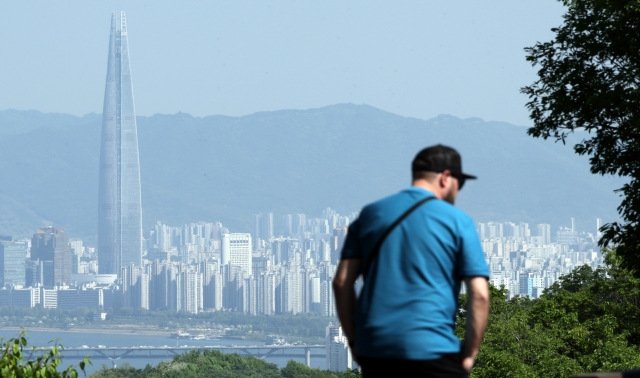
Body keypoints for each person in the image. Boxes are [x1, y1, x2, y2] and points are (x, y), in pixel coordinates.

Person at [333, 144, 490, 377]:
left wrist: (355, 344)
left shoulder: (371, 214)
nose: (459, 190)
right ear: (446, 178)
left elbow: (342, 282)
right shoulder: (458, 221)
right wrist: (470, 353)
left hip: (378, 353)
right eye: (460, 182)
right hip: (435, 351)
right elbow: (480, 294)